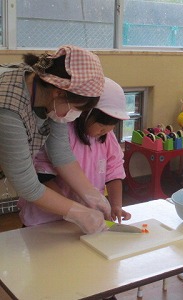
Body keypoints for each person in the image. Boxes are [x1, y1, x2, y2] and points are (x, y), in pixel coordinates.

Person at [0, 45, 111, 234]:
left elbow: (60, 152)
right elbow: (27, 185)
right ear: (59, 93)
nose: (74, 116)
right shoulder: (8, 108)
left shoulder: (49, 95)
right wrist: (78, 212)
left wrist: (91, 194)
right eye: (76, 108)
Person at [18, 77, 132, 226]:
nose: (104, 133)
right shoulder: (59, 131)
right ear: (84, 113)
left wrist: (116, 205)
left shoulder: (106, 137)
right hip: (46, 219)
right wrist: (75, 210)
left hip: (85, 219)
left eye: (110, 129)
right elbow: (42, 178)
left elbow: (114, 170)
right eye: (102, 127)